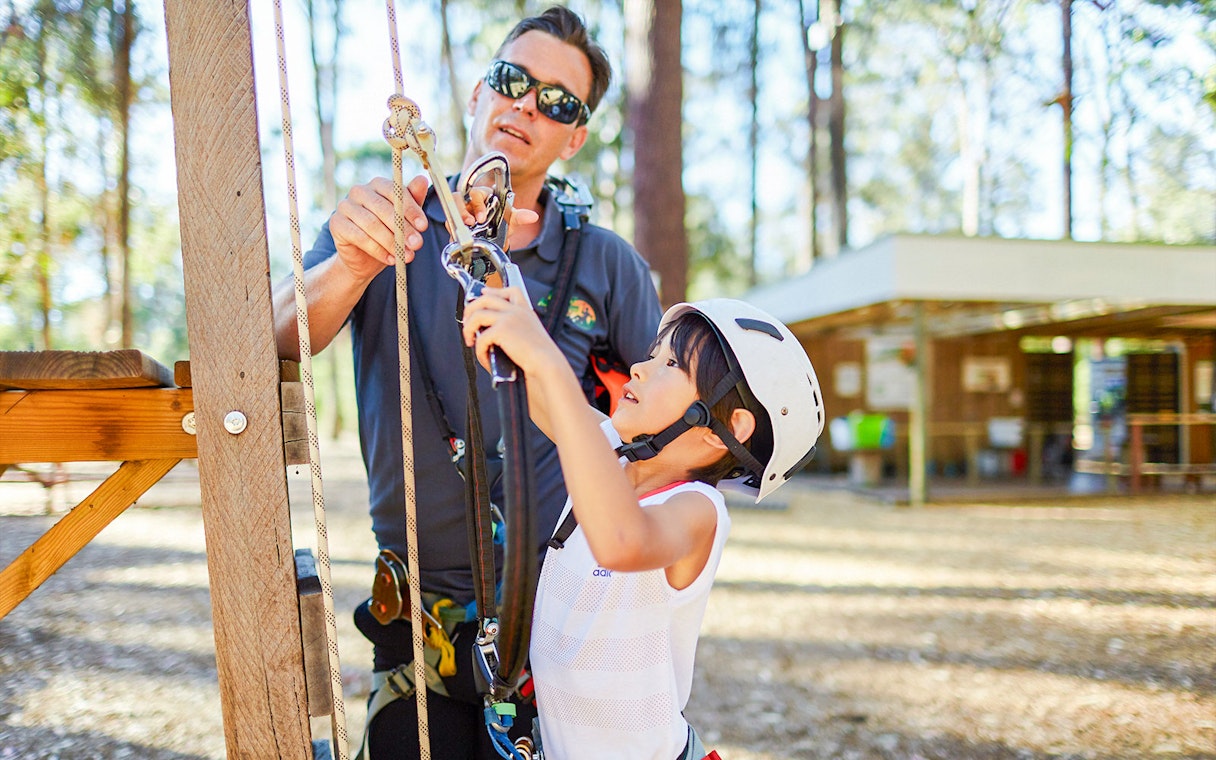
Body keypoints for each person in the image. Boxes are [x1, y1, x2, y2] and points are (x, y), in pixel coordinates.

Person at [272, 6, 663, 759]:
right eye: (513, 81)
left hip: (563, 623)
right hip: (419, 635)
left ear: (575, 137)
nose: (526, 105)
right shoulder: (389, 217)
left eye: (557, 101)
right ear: (480, 93)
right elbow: (278, 336)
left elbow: (660, 427)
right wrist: (353, 264)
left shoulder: (607, 264)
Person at [461, 291, 825, 760]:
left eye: (671, 364)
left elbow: (621, 541)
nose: (639, 367)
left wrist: (550, 362)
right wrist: (485, 258)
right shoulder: (612, 450)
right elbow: (538, 392)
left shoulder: (698, 511)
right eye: (654, 354)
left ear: (724, 429)